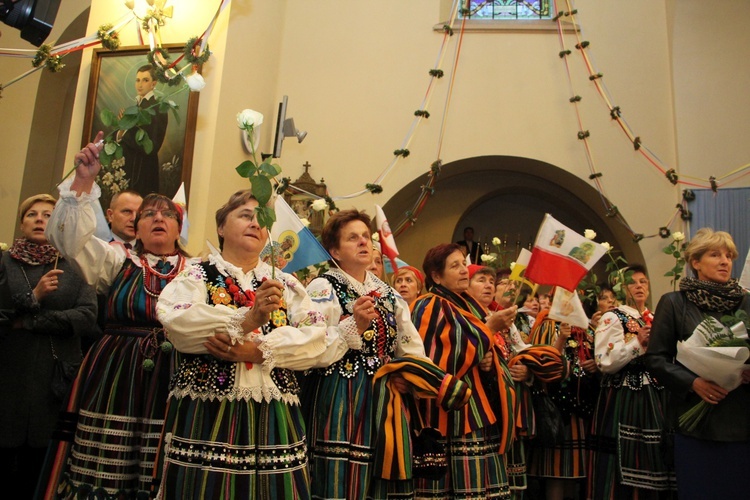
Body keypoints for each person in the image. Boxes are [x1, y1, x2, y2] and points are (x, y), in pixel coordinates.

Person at [39, 132, 197, 498]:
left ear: (179, 226)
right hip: (116, 369)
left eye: (167, 215)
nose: (158, 219)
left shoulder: (198, 270)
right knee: (110, 457)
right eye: (148, 215)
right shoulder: (116, 260)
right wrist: (84, 180)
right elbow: (67, 241)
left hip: (176, 371)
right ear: (135, 227)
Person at [153, 189, 329, 497]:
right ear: (221, 227)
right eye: (245, 216)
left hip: (274, 406)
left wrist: (261, 350)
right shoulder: (197, 272)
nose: (255, 224)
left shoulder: (284, 283)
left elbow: (316, 338)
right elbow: (177, 320)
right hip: (209, 406)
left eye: (262, 220)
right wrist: (246, 321)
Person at [303, 209, 429, 498]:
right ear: (334, 250)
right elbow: (313, 347)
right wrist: (353, 326)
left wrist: (410, 375)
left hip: (384, 395)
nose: (363, 243)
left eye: (366, 237)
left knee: (378, 473)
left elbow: (410, 343)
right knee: (339, 478)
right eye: (352, 238)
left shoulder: (386, 292)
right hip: (338, 393)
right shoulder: (324, 286)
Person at [0, 194, 97, 498]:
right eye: (32, 214)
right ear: (21, 223)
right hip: (10, 374)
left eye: (48, 214)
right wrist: (35, 296)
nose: (40, 219)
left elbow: (86, 317)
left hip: (56, 379)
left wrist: (28, 322)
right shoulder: (4, 263)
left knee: (44, 468)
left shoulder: (77, 263)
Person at [645, 228, 750, 499]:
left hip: (741, 421)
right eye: (715, 255)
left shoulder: (746, 303)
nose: (725, 261)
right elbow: (655, 358)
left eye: (729, 255)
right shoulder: (675, 303)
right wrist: (693, 382)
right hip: (694, 422)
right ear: (695, 262)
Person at [411, 243, 517, 499]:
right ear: (437, 276)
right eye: (454, 266)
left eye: (463, 263)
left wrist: (488, 359)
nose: (463, 270)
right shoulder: (429, 304)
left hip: (477, 412)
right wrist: (488, 328)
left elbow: (476, 348)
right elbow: (437, 361)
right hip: (448, 419)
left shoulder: (467, 305)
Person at [587, 264, 676, 499]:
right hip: (625, 396)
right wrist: (637, 343)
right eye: (633, 282)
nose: (639, 286)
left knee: (657, 454)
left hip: (656, 396)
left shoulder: (656, 317)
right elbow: (605, 361)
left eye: (643, 282)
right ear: (624, 288)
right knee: (626, 456)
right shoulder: (613, 317)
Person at [117, 64, 168, 195]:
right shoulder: (136, 107)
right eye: (138, 80)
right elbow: (125, 137)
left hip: (145, 170)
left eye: (145, 80)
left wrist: (126, 133)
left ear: (153, 84)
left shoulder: (157, 108)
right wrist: (122, 130)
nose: (140, 84)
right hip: (131, 168)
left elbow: (153, 145)